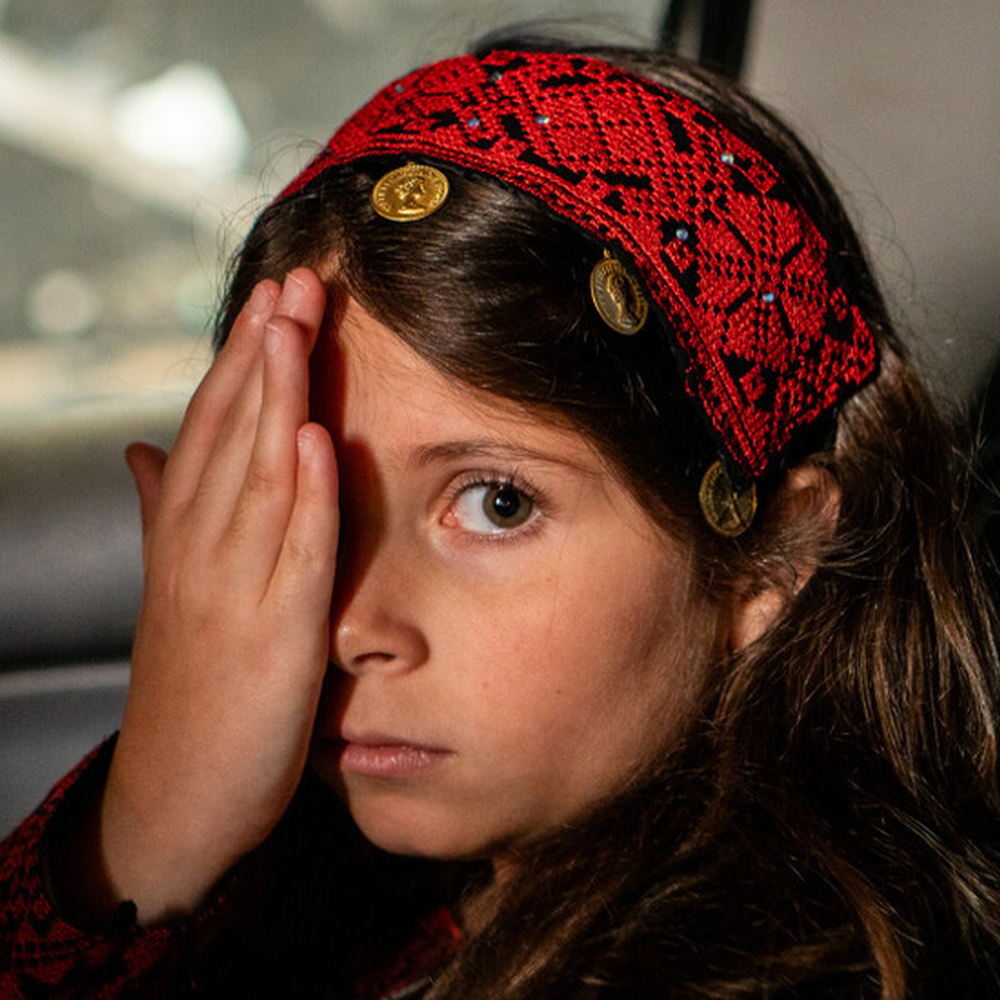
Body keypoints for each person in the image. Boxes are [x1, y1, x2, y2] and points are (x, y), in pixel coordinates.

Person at [2, 35, 1000, 1000]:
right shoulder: (351, 902)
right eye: (316, 506)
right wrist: (147, 828)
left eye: (498, 502)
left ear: (768, 561)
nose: (351, 626)